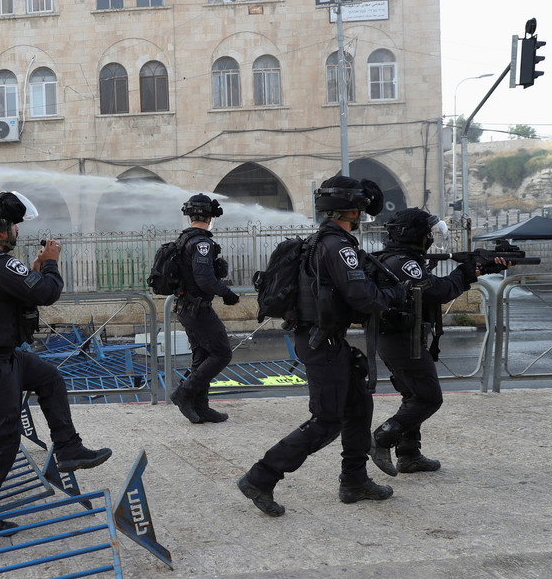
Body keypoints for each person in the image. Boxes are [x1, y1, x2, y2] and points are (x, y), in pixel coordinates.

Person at [237, 176, 406, 517]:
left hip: (325, 339)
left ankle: (355, 481)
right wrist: (393, 295)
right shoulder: (337, 246)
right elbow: (360, 296)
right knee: (326, 421)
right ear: (352, 208)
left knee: (358, 407)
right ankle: (261, 476)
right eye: (359, 207)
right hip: (322, 341)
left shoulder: (324, 241)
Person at [0, 191, 112, 534]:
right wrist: (50, 262)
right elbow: (45, 293)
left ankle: (68, 449)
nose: (16, 231)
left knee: (48, 376)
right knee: (4, 438)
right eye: (13, 225)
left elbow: (13, 290)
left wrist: (34, 271)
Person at [368, 208, 505, 475]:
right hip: (401, 340)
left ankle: (409, 455)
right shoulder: (403, 262)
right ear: (417, 234)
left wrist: (478, 268)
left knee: (413, 396)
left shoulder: (401, 258)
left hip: (400, 337)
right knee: (428, 399)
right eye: (429, 232)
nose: (432, 237)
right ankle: (382, 437)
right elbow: (437, 290)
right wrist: (465, 273)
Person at [167, 193, 241, 424]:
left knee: (202, 355)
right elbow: (205, 279)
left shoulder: (183, 240)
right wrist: (228, 294)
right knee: (221, 353)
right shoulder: (201, 243)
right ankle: (184, 393)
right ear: (210, 216)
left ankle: (201, 407)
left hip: (187, 307)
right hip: (197, 309)